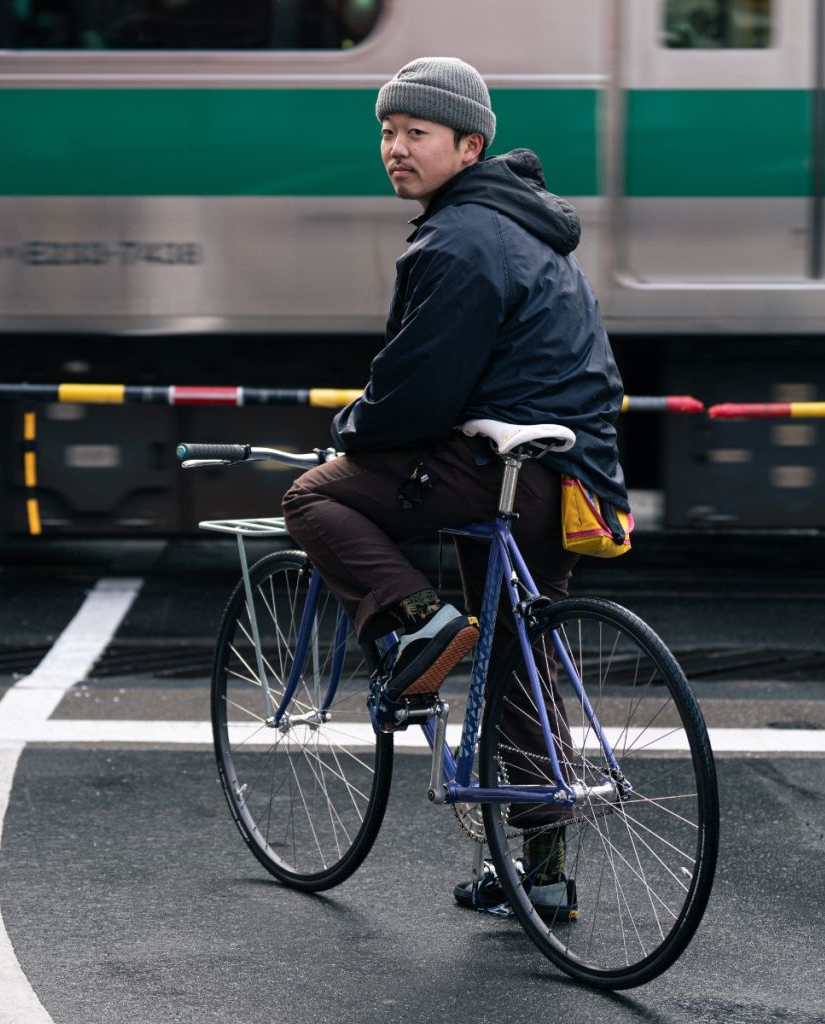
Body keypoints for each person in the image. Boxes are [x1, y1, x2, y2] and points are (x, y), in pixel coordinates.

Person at [281, 56, 630, 914]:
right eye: (388, 133)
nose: (395, 148)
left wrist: (350, 430)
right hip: (571, 476)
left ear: (469, 146)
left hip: (499, 470)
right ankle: (541, 877)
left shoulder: (460, 240)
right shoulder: (519, 228)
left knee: (314, 498)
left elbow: (416, 392)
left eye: (416, 134)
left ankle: (419, 625)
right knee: (518, 661)